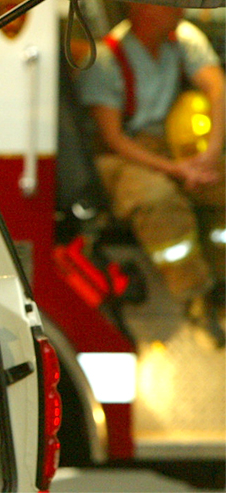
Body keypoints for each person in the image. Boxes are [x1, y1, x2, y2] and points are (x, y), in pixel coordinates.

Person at [76, 3, 225, 344]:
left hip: (175, 143)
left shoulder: (184, 39)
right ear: (139, 6)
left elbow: (217, 88)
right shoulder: (107, 58)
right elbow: (113, 138)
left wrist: (210, 154)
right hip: (123, 154)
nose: (180, 7)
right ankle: (195, 295)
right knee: (157, 200)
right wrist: (175, 170)